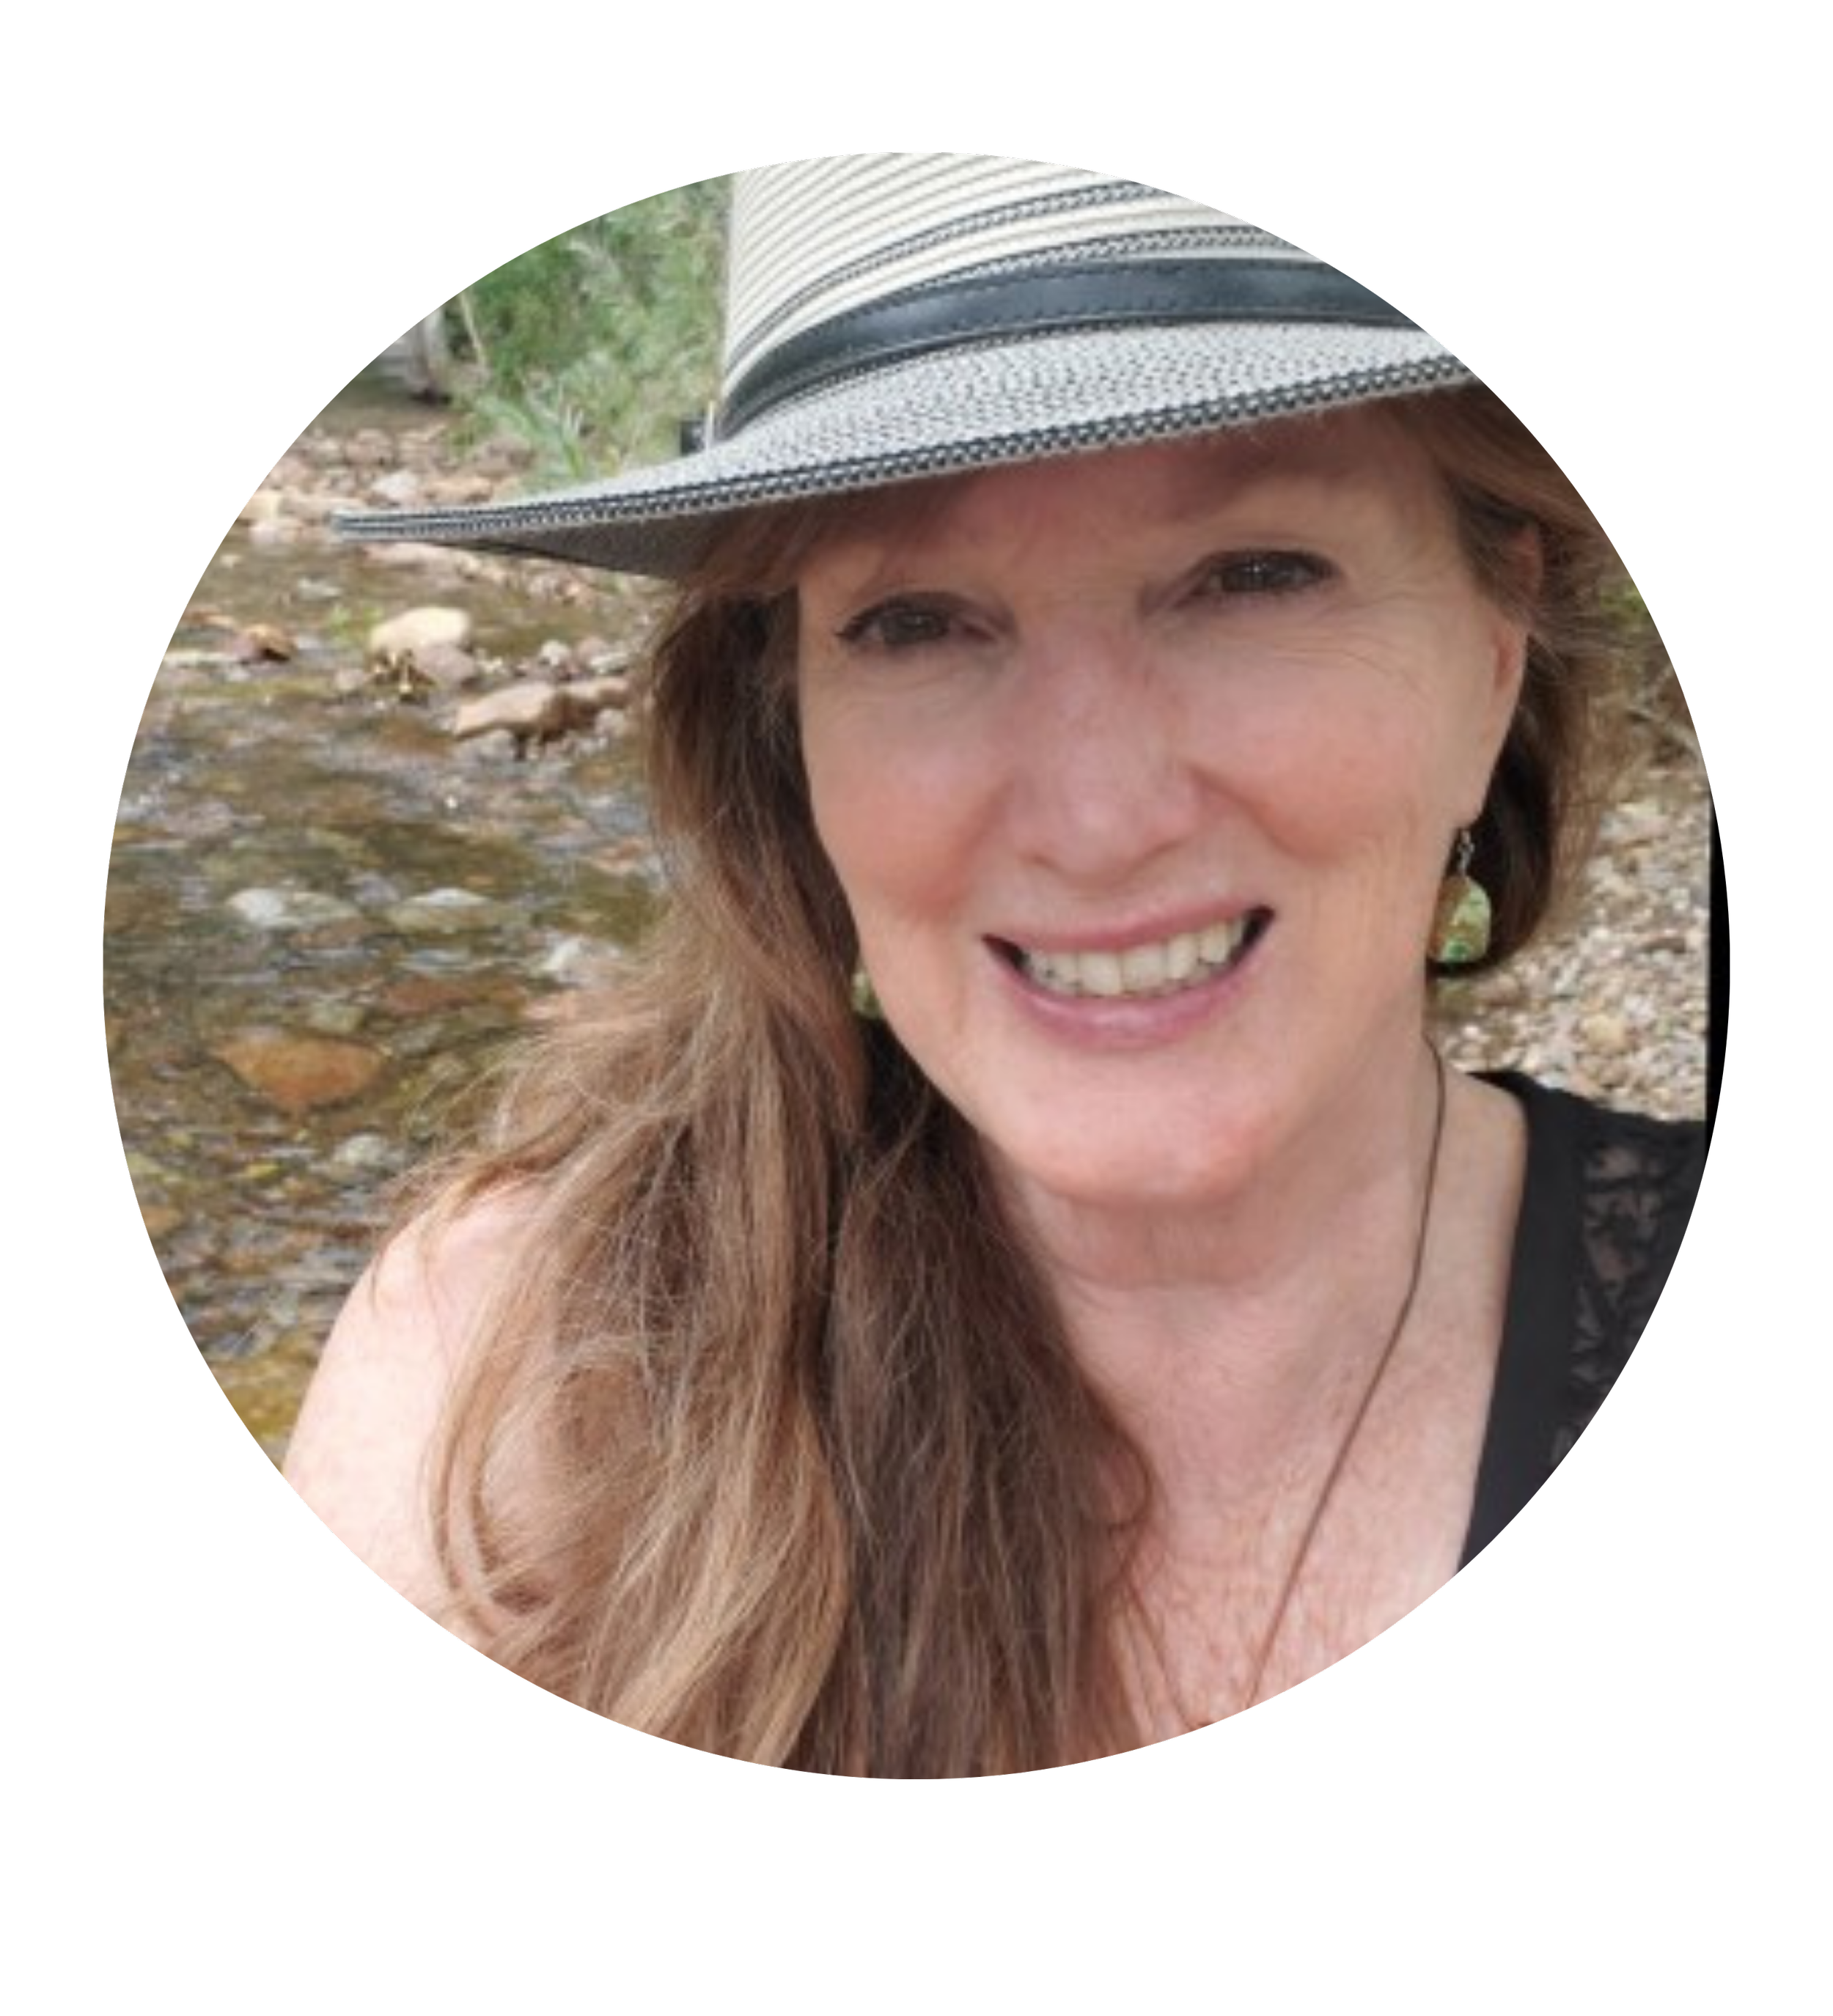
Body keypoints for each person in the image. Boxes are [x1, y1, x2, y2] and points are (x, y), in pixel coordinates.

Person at [290, 155, 1705, 1776]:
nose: (1097, 820)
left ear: (1493, 644)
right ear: (789, 727)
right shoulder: (508, 1381)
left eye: (1249, 575)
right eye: (915, 621)